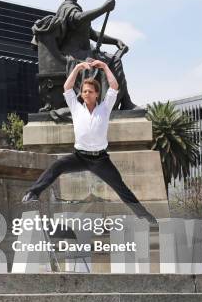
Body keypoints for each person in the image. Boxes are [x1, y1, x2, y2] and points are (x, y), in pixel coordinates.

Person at [22, 59, 157, 225]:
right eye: (84, 91)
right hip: (79, 157)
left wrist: (106, 67)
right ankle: (32, 193)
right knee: (56, 167)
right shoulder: (76, 108)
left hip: (101, 160)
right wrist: (78, 68)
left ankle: (146, 217)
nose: (86, 94)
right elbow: (67, 87)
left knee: (122, 189)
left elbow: (114, 87)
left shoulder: (105, 108)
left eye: (90, 91)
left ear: (96, 94)